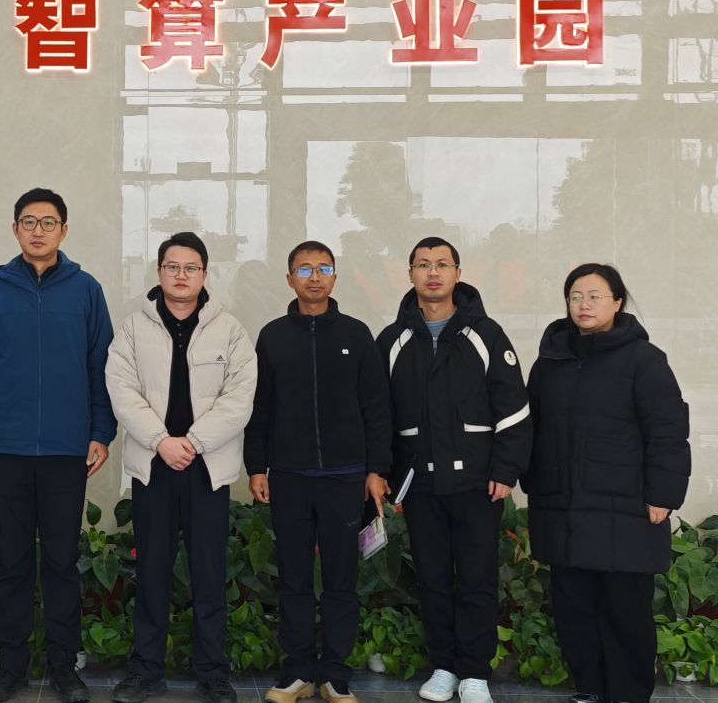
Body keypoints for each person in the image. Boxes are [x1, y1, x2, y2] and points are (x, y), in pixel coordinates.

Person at [0, 189, 116, 703]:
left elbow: (102, 365)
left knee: (62, 562)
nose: (38, 230)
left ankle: (65, 665)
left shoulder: (86, 290)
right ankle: (11, 667)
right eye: (28, 221)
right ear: (15, 229)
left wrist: (100, 431)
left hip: (66, 450)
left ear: (64, 230)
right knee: (11, 562)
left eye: (48, 222)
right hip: (5, 447)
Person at [522, 264, 690, 703]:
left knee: (624, 610)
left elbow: (668, 431)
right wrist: (534, 482)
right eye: (576, 296)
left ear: (617, 302)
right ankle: (591, 687)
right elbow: (532, 428)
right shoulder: (550, 361)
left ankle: (628, 693)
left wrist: (663, 494)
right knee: (574, 607)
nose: (584, 305)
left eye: (595, 296)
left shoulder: (644, 360)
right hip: (564, 506)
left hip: (626, 509)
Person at [374, 238, 530, 703]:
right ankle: (443, 667)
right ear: (410, 274)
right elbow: (377, 415)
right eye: (423, 264)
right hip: (420, 484)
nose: (433, 272)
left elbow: (514, 408)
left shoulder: (486, 334)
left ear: (458, 273)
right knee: (432, 578)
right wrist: (381, 471)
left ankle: (474, 672)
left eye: (442, 264)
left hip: (478, 483)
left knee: (478, 578)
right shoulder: (392, 340)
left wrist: (505, 468)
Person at [106, 232, 257, 703]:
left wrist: (191, 443)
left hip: (206, 467)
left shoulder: (229, 329)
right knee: (151, 570)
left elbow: (239, 398)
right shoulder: (134, 327)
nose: (181, 275)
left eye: (191, 268)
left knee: (209, 571)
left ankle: (212, 670)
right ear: (159, 272)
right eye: (172, 267)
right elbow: (121, 390)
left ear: (205, 275)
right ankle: (146, 670)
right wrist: (161, 441)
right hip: (154, 465)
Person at [244, 242, 390, 703]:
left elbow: (376, 407)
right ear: (289, 279)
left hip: (346, 476)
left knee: (341, 579)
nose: (314, 276)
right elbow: (260, 407)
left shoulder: (356, 334)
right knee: (294, 577)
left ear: (334, 277)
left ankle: (334, 674)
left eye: (323, 268)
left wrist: (376, 470)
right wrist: (256, 466)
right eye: (304, 269)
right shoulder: (272, 336)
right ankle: (298, 670)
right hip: (288, 474)